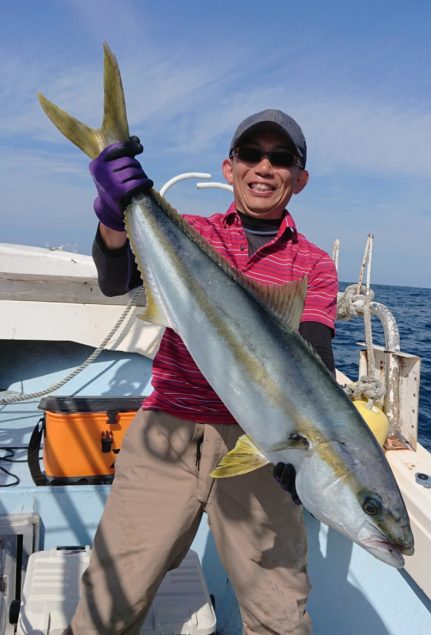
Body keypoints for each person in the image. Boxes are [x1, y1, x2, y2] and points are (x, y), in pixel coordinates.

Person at [66, 109, 338, 635]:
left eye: (280, 158)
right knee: (108, 602)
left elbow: (315, 351)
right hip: (166, 431)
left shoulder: (314, 265)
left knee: (280, 616)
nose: (264, 167)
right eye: (250, 155)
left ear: (299, 178)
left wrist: (305, 446)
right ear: (229, 166)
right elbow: (114, 279)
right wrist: (111, 214)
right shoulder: (192, 232)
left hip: (261, 445)